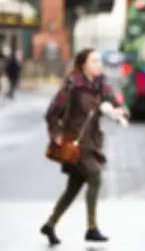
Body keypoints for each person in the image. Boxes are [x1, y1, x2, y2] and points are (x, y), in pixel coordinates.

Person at [40, 48, 128, 245]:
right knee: (95, 177)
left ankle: (50, 224)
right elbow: (53, 112)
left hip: (93, 141)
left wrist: (120, 111)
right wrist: (56, 135)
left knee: (74, 187)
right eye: (94, 61)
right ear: (83, 65)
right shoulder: (72, 84)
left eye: (100, 61)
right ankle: (91, 228)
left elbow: (115, 102)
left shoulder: (102, 84)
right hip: (75, 142)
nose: (99, 65)